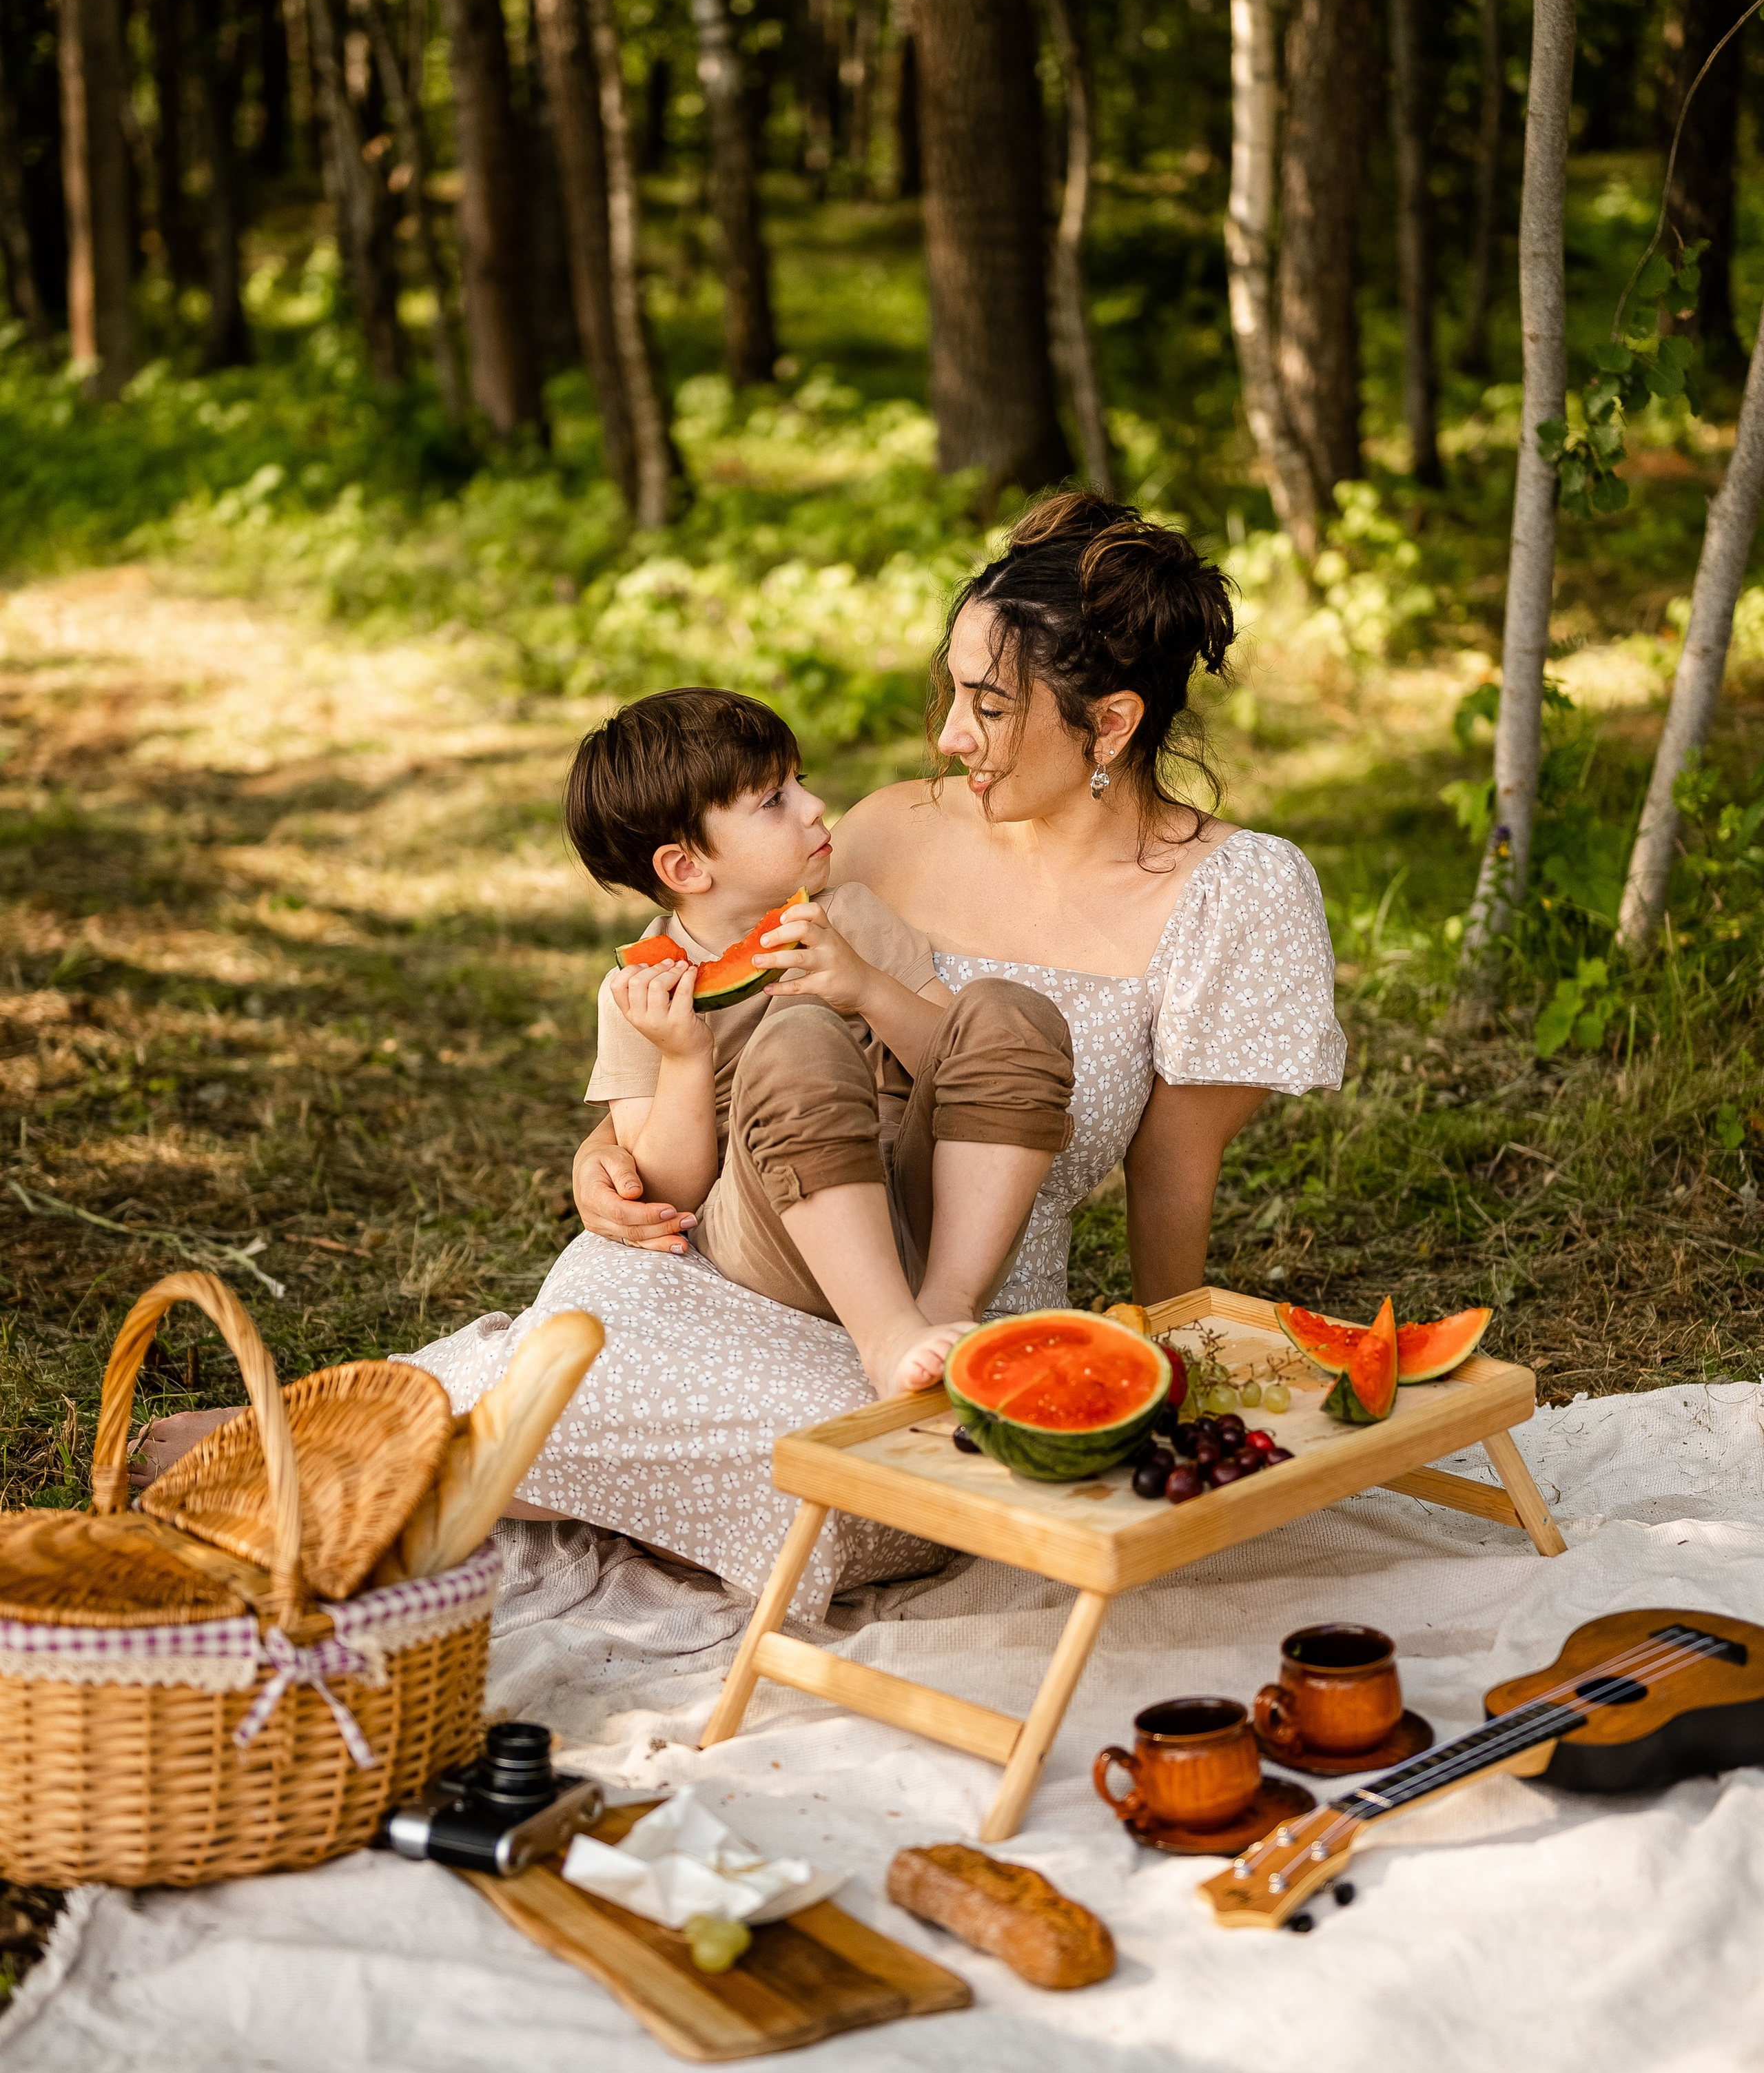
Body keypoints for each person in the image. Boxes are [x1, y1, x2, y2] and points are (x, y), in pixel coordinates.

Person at [139, 493, 1347, 1620]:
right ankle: (383, 1453)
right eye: (954, 690)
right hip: (748, 1259)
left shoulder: (1237, 894)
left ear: (1113, 722)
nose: (948, 735)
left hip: (964, 1313)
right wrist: (601, 1159)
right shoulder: (891, 826)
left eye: (989, 706)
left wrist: (1167, 1383)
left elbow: (1171, 1179)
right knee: (614, 1350)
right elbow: (746, 1026)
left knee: (850, 1483)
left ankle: (420, 1455)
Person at [566, 686, 1074, 1401]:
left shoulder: (849, 917)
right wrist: (684, 1057)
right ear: (685, 869)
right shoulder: (639, 994)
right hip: (774, 1231)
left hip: (924, 1211)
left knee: (1009, 1011)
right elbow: (671, 1197)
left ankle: (947, 1305)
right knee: (798, 1034)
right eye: (774, 800)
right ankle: (886, 1338)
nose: (814, 806)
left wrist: (867, 987)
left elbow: (961, 1064)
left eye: (798, 781)